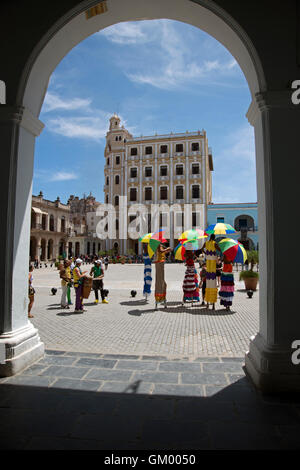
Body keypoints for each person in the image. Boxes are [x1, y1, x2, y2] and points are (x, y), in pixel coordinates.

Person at [202, 234, 220, 310]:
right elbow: (219, 249)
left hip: (208, 262)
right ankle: (213, 304)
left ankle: (207, 303)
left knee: (208, 281)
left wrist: (206, 253)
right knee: (213, 282)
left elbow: (202, 249)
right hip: (212, 264)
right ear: (214, 238)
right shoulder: (214, 243)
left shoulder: (206, 243)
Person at [154, 243, 171, 309]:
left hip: (161, 263)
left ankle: (162, 298)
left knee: (162, 282)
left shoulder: (160, 245)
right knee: (159, 282)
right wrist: (167, 249)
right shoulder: (157, 244)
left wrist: (167, 251)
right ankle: (159, 298)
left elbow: (161, 252)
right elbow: (160, 251)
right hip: (159, 263)